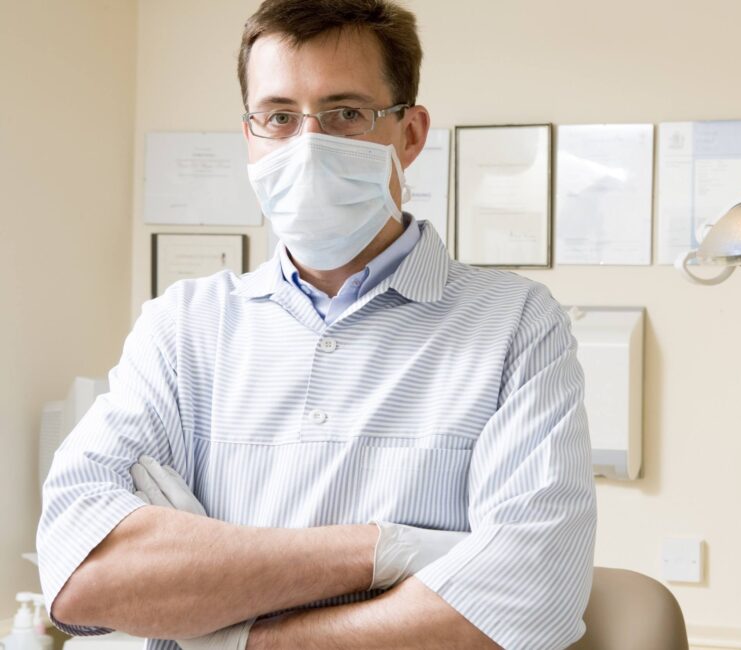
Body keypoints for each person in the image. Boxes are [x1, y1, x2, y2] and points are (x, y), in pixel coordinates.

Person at [36, 1, 597, 648]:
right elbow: (81, 576)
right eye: (278, 117)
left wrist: (232, 637)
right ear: (249, 135)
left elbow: (527, 601)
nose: (307, 146)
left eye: (346, 114)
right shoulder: (182, 328)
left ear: (410, 135)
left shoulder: (516, 326)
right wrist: (387, 549)